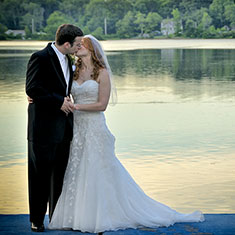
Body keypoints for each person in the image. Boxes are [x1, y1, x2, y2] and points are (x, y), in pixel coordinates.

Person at [48, 35, 205, 233]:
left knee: (97, 170)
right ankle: (76, 216)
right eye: (77, 45)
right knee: (77, 169)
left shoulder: (102, 73)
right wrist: (39, 96)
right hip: (76, 129)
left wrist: (75, 106)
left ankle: (101, 216)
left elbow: (102, 105)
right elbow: (59, 89)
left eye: (82, 45)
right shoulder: (74, 70)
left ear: (91, 49)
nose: (78, 47)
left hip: (94, 128)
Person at [25, 24, 83, 232]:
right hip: (42, 128)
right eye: (76, 44)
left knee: (59, 175)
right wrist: (58, 101)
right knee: (39, 175)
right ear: (66, 44)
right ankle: (37, 220)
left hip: (64, 127)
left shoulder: (68, 59)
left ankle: (56, 217)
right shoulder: (40, 57)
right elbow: (32, 88)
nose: (78, 48)